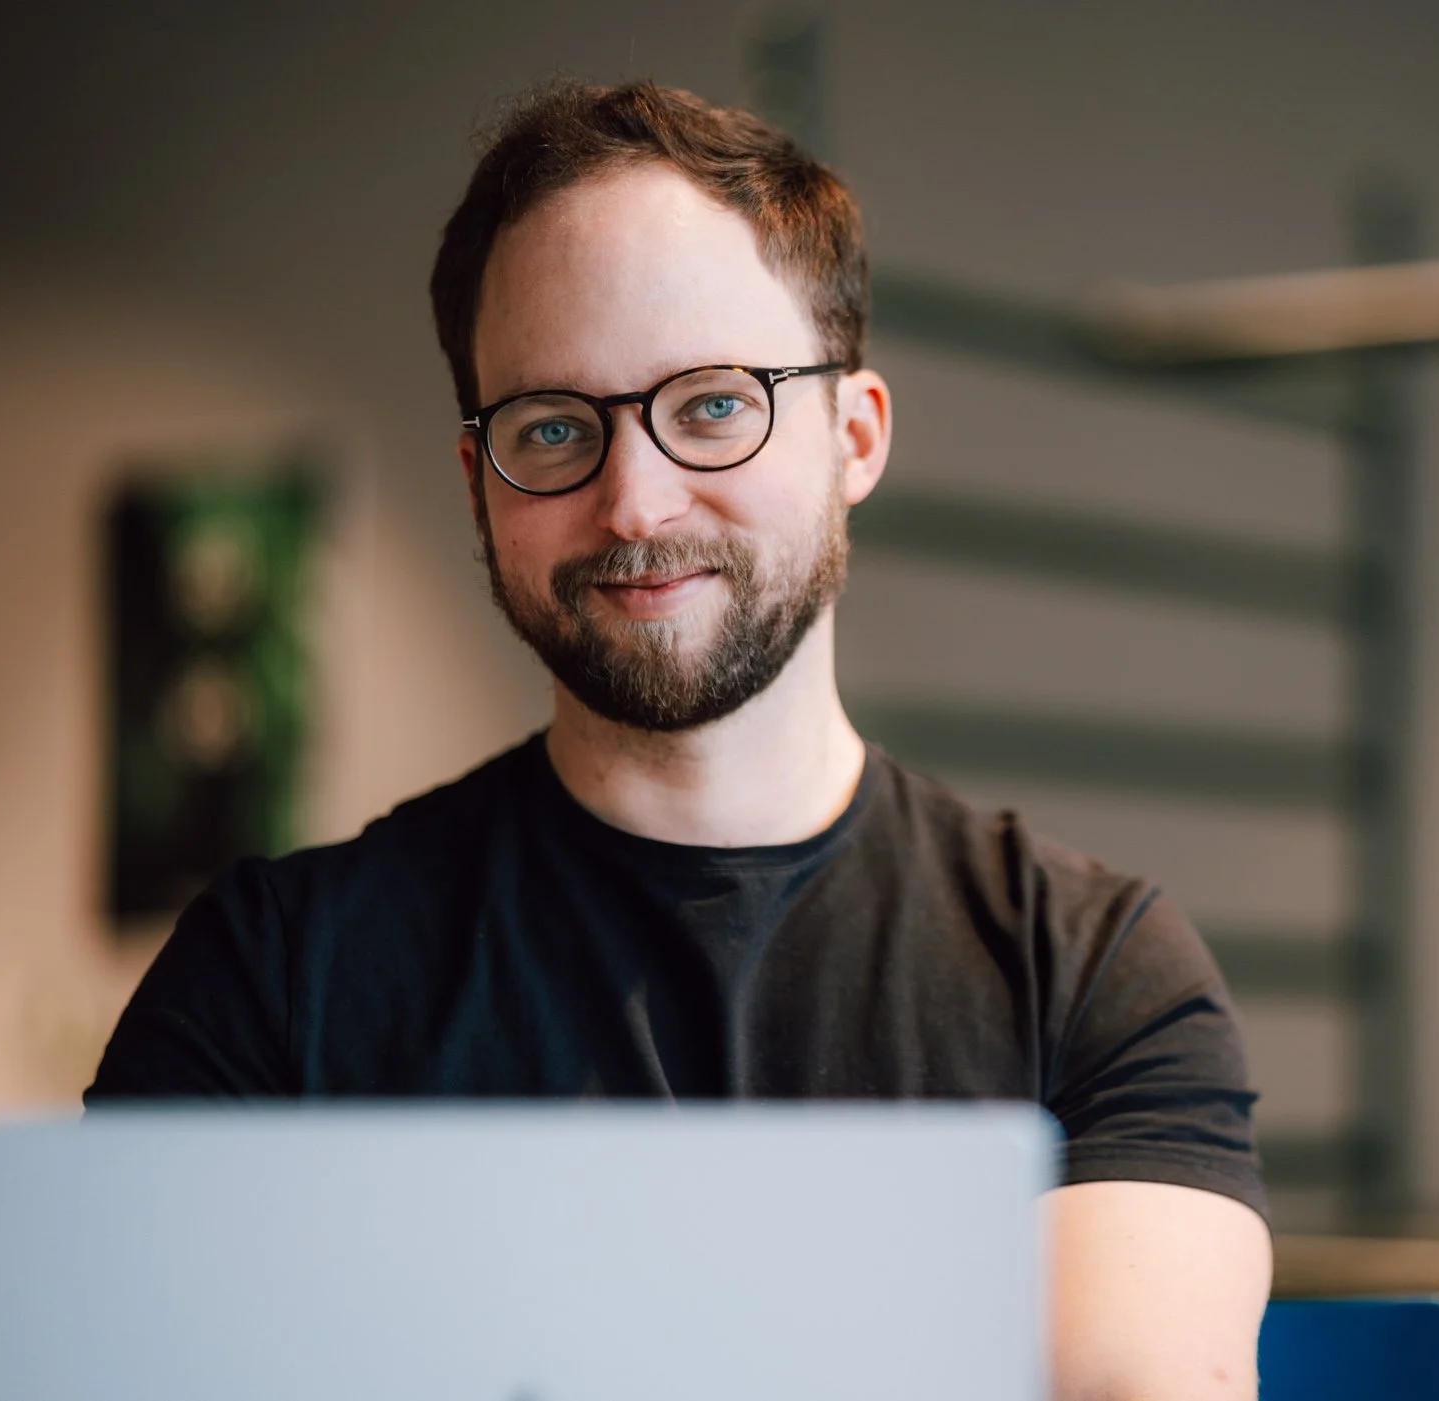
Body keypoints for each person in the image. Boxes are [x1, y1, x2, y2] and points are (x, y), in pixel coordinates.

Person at [88, 80, 1272, 1399]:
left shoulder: (1089, 973)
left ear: (855, 436)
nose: (633, 501)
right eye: (551, 427)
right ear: (479, 482)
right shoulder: (271, 983)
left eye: (713, 403)